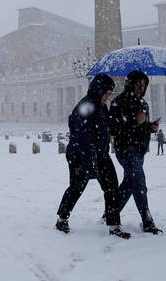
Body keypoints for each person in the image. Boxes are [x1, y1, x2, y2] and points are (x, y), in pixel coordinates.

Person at [56, 74, 130, 239]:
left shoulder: (101, 107)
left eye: (110, 94)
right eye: (106, 93)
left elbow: (108, 128)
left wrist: (126, 122)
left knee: (111, 187)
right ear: (98, 90)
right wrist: (91, 164)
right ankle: (62, 219)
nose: (107, 97)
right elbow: (83, 138)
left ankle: (114, 226)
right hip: (79, 155)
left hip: (101, 154)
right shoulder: (85, 107)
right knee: (76, 187)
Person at [109, 70, 162, 234]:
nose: (141, 87)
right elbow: (114, 128)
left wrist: (151, 127)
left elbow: (142, 126)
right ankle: (147, 220)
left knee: (129, 183)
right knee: (139, 181)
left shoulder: (144, 104)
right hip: (125, 149)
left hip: (140, 149)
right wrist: (134, 120)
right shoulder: (118, 102)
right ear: (131, 84)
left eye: (144, 84)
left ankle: (111, 212)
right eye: (139, 84)